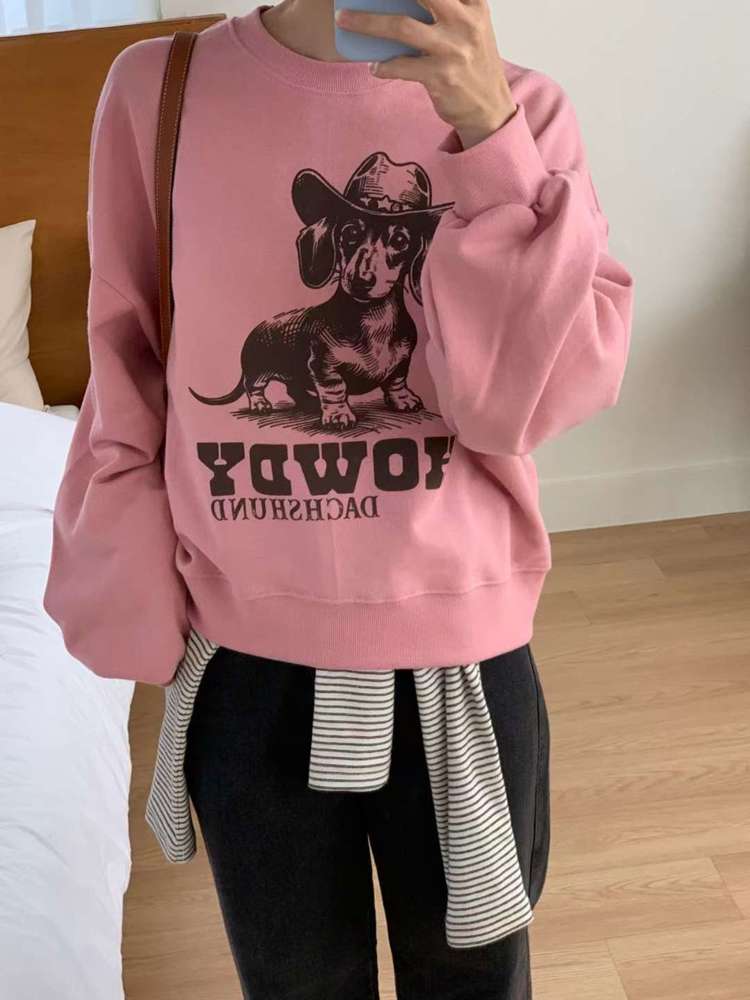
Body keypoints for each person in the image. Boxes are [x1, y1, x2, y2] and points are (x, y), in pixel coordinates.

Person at [43, 1, 635, 997]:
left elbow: (532, 403)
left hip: (459, 663)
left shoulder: (524, 113)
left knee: (476, 983)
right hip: (245, 664)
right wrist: (139, 593)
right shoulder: (159, 91)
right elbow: (125, 356)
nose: (372, 259)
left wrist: (491, 144)